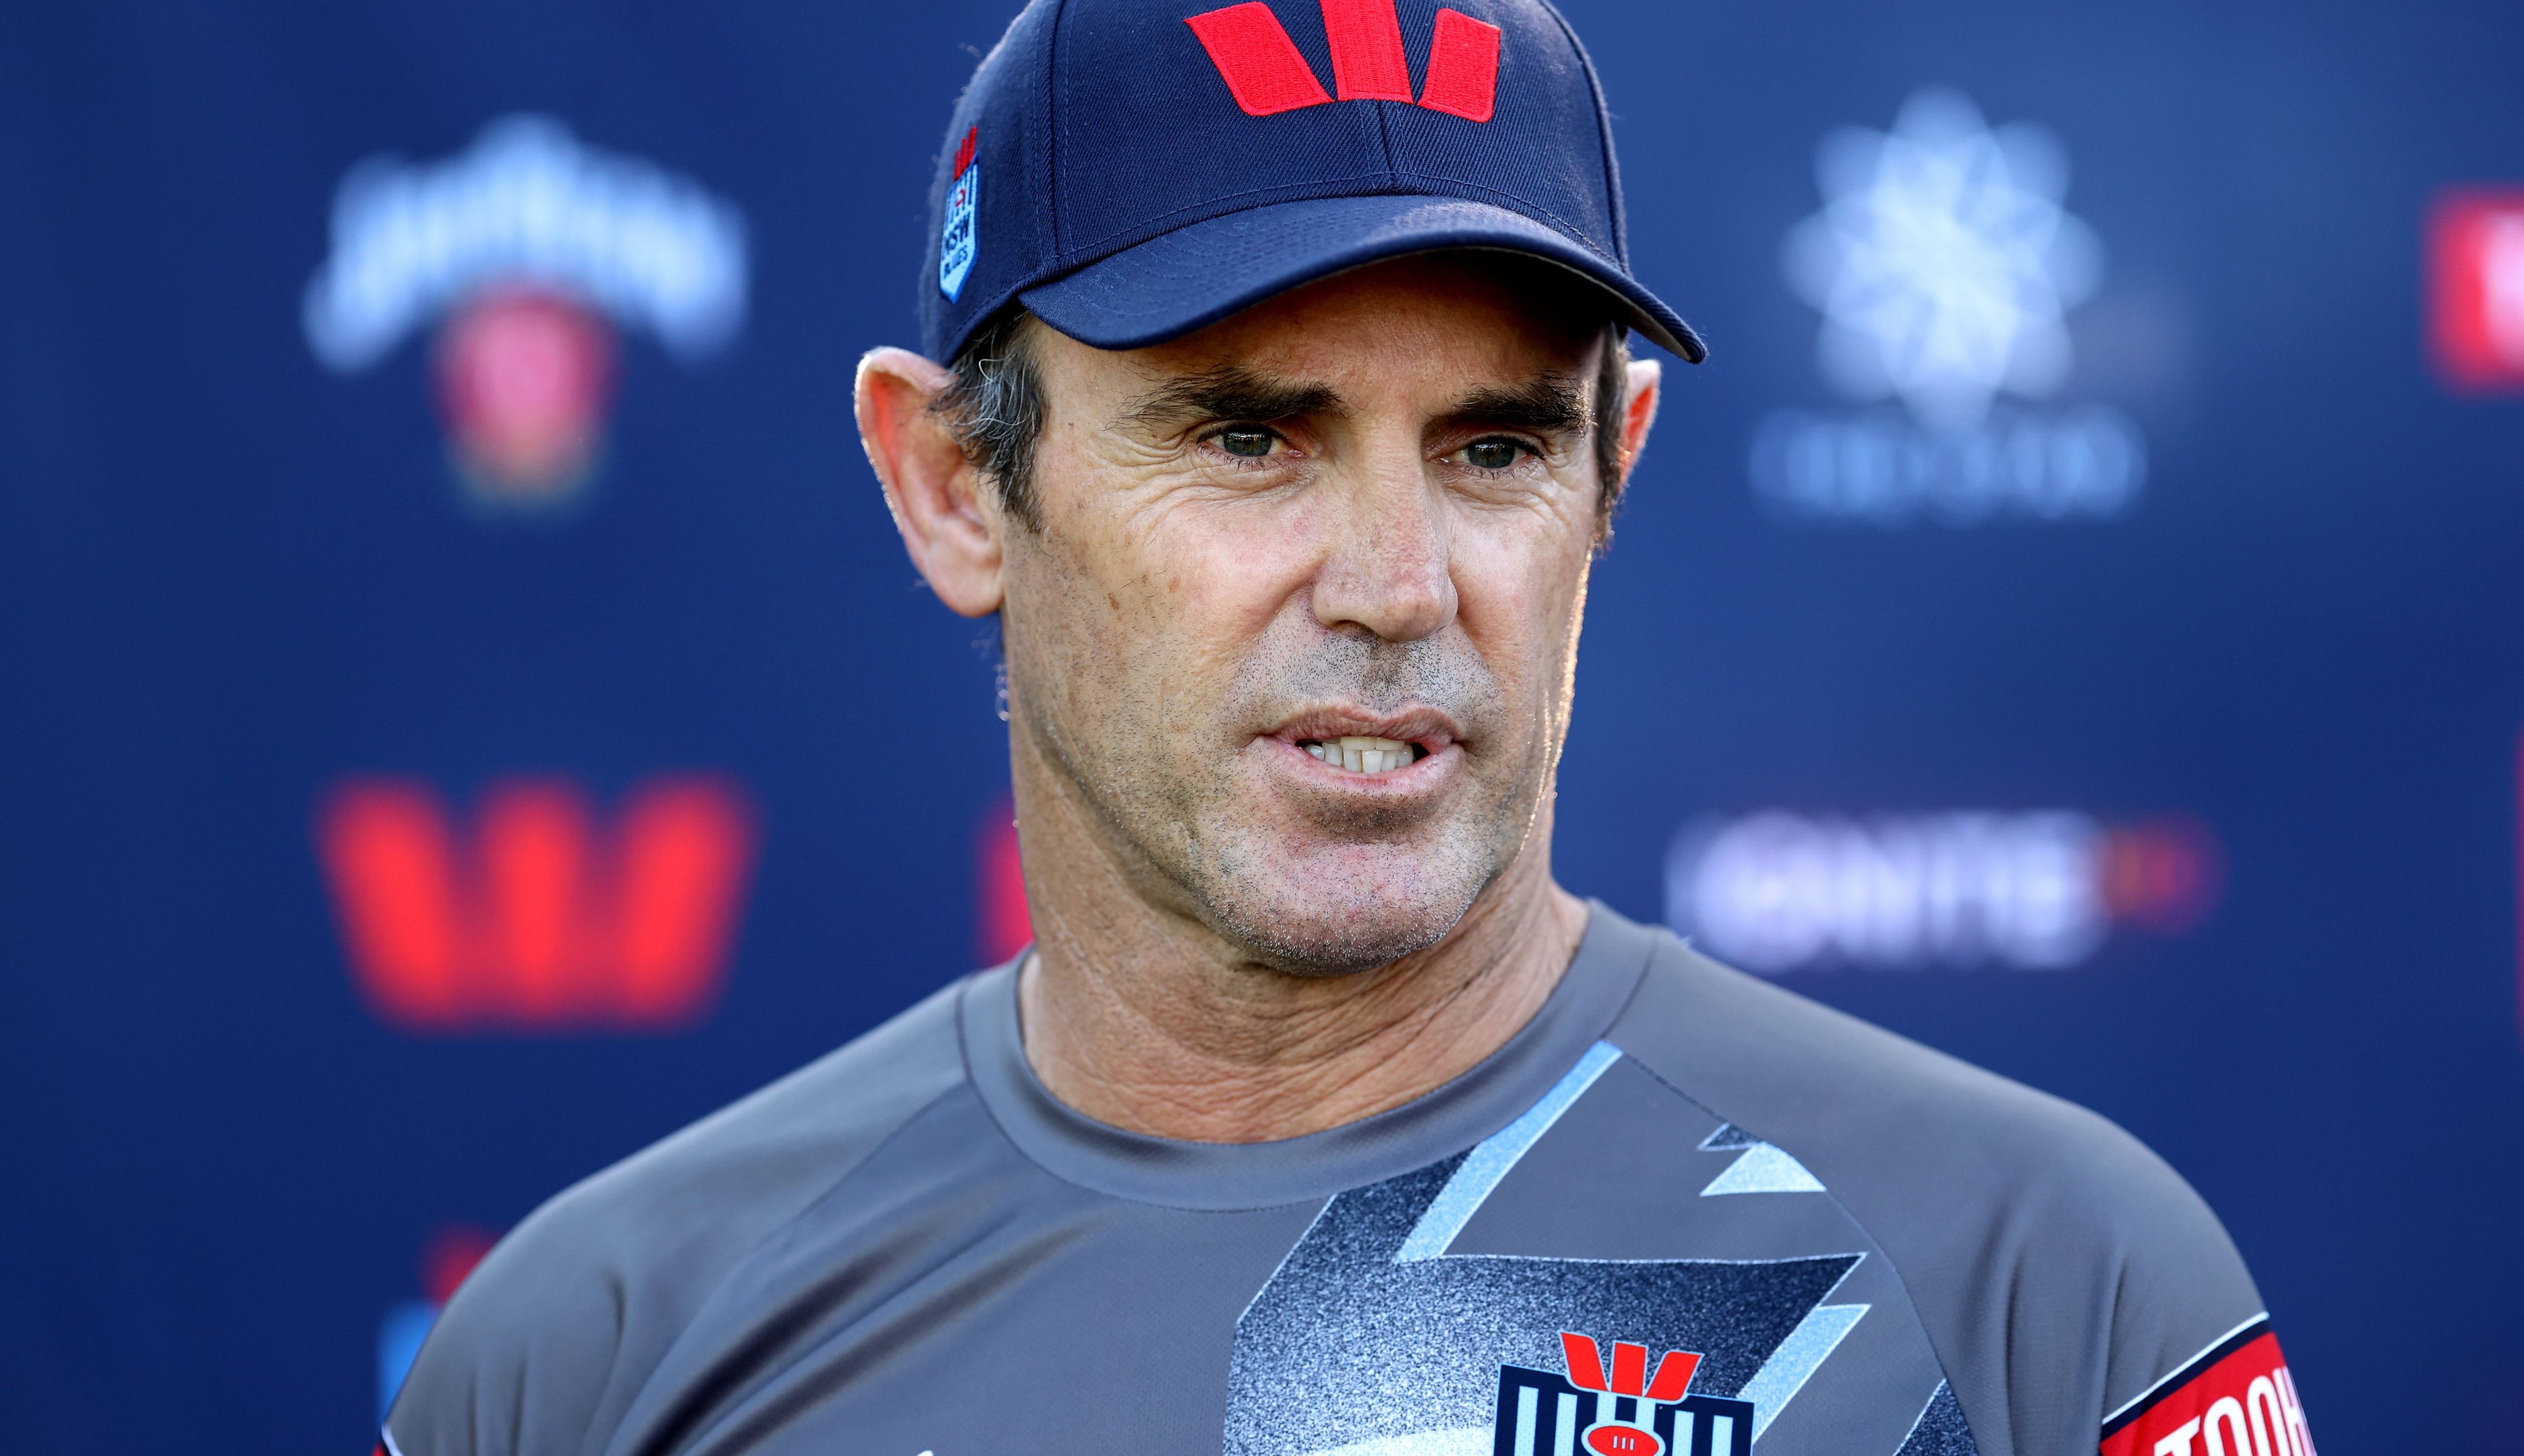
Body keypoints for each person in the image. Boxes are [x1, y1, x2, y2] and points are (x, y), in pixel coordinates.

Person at [382, 0, 2313, 1453]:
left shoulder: (2047, 1294)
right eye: (1249, 434)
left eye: (1494, 446)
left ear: (1614, 469)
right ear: (954, 484)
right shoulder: (593, 1358)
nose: (1396, 583)